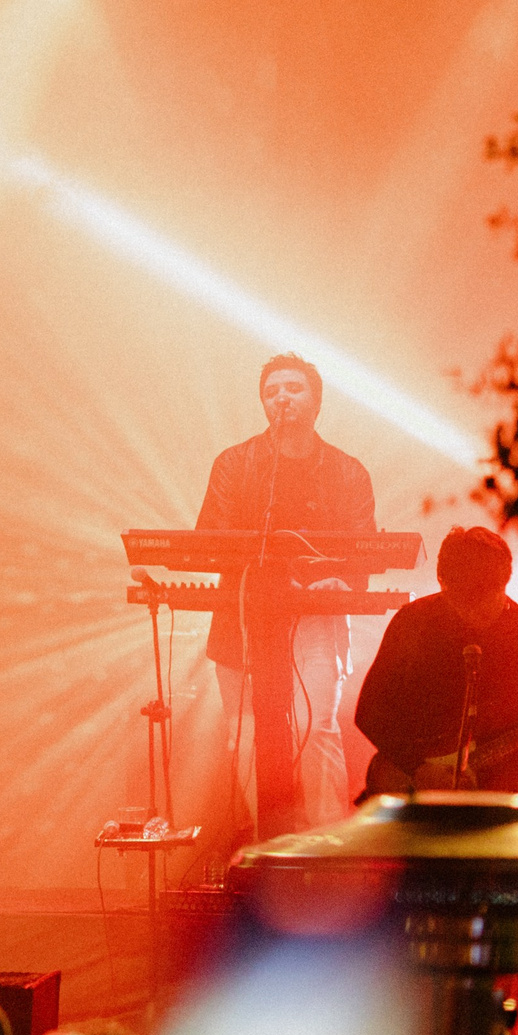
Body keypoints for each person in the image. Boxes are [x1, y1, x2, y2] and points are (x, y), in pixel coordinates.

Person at [196, 353, 378, 833]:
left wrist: (341, 581)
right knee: (245, 736)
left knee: (315, 729)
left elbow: (366, 550)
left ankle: (325, 848)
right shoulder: (234, 464)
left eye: (293, 388)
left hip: (315, 620)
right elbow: (207, 542)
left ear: (316, 401)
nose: (282, 397)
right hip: (242, 615)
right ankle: (270, 845)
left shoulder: (347, 471)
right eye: (272, 390)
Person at [355, 526, 518, 794]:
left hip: (502, 804)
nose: (472, 611)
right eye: (462, 600)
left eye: (483, 598)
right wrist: (417, 768)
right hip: (418, 800)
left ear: (505, 582)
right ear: (442, 583)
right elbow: (370, 711)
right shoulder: (413, 622)